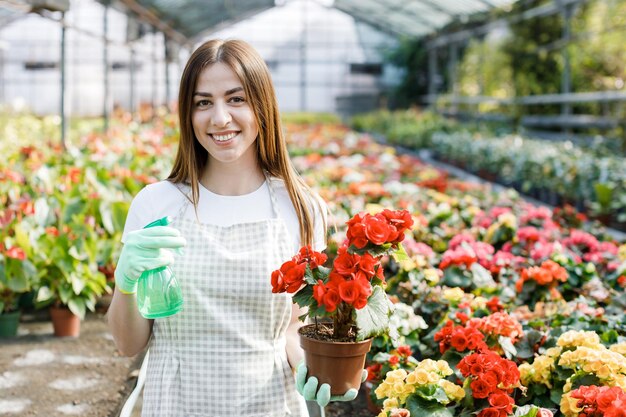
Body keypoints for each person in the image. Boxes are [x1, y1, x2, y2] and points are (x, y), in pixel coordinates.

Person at [107, 38, 363, 417]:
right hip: (176, 402)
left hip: (269, 404)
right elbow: (129, 344)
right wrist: (125, 284)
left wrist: (317, 369)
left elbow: (293, 329)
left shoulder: (300, 208)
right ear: (188, 114)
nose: (220, 118)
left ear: (263, 106)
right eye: (203, 102)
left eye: (236, 99)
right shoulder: (157, 204)